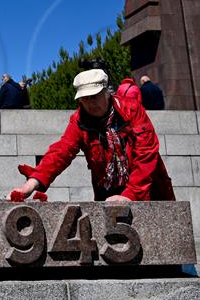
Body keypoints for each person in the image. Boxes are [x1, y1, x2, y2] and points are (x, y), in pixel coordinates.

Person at [11, 68, 175, 202]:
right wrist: (32, 182)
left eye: (94, 96)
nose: (90, 103)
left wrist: (131, 195)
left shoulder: (132, 110)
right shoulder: (78, 120)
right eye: (84, 98)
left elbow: (146, 153)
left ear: (107, 92)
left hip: (149, 190)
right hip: (108, 193)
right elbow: (61, 151)